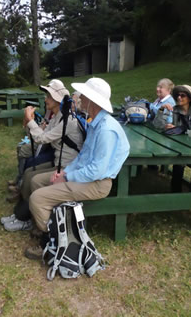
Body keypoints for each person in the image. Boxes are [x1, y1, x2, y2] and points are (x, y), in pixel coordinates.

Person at [24, 77, 130, 260]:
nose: (79, 99)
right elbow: (83, 157)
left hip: (97, 183)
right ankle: (46, 227)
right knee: (37, 181)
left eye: (84, 96)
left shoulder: (106, 130)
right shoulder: (96, 123)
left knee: (37, 198)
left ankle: (55, 244)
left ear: (93, 101)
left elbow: (96, 170)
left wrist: (67, 177)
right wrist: (65, 172)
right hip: (87, 176)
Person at [1, 80, 84, 231]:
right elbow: (39, 137)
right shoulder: (58, 117)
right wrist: (29, 123)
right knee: (28, 173)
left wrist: (31, 121)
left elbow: (42, 138)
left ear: (58, 100)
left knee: (33, 179)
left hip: (67, 167)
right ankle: (22, 215)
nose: (45, 99)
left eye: (49, 96)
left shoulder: (68, 120)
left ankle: (27, 219)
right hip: (57, 163)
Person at [153, 85, 191, 192]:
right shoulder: (174, 109)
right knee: (178, 165)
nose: (179, 98)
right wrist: (161, 110)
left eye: (182, 95)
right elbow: (157, 125)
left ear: (189, 98)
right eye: (177, 95)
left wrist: (180, 129)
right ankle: (175, 192)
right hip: (178, 145)